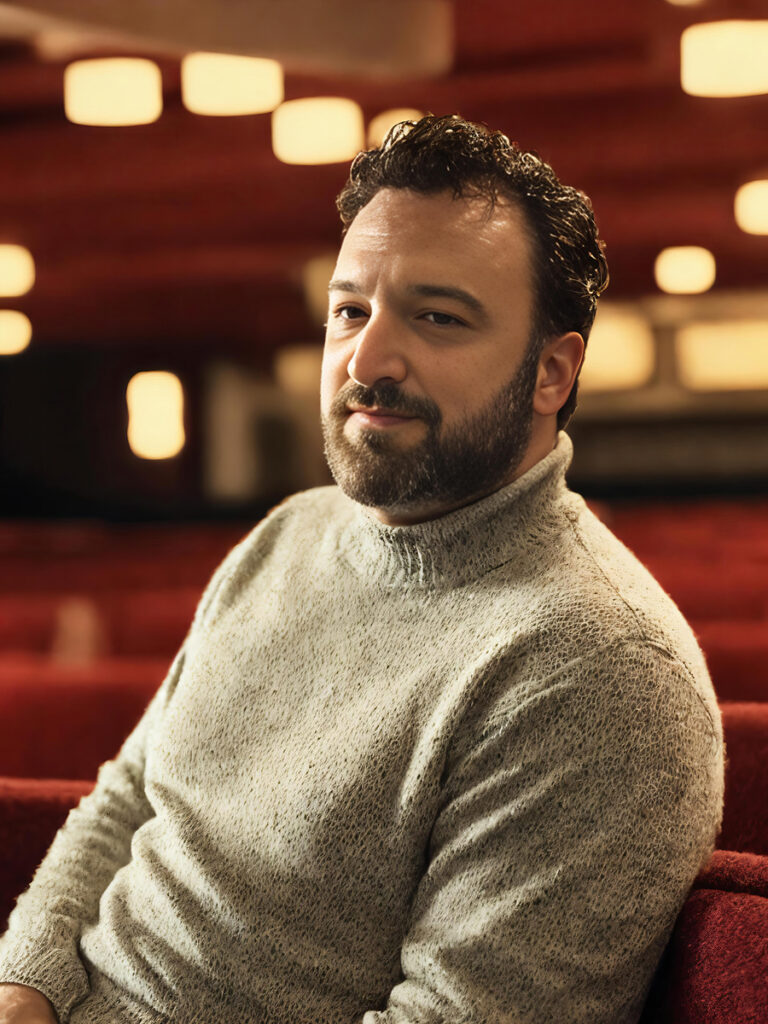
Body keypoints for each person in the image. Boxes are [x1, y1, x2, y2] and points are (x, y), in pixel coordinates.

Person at [0, 115, 724, 1024]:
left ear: (551, 373)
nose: (367, 360)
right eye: (351, 310)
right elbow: (129, 796)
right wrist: (23, 983)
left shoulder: (597, 668)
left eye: (437, 317)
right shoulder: (288, 535)